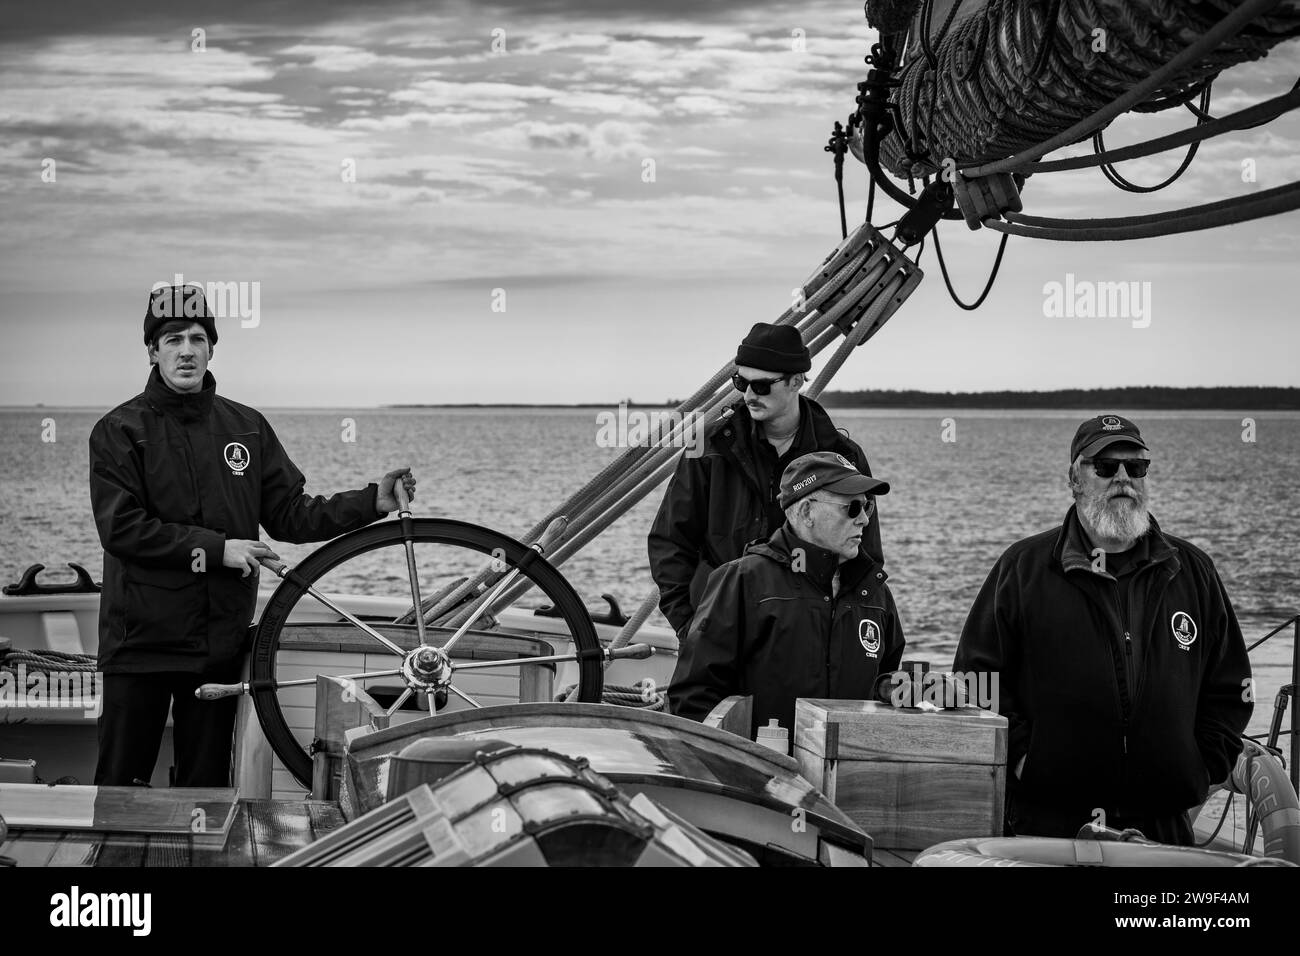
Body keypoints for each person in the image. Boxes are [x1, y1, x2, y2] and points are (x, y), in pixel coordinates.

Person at [89, 284, 418, 787]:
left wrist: (372, 502)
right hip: (139, 647)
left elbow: (290, 516)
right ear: (152, 352)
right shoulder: (119, 430)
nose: (186, 350)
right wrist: (217, 550)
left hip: (217, 648)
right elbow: (122, 529)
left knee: (204, 790)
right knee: (119, 785)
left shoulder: (247, 427)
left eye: (197, 338)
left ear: (211, 349)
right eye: (172, 339)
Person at [953, 414, 1251, 845]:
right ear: (1074, 479)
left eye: (1137, 466)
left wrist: (1202, 768)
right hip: (1048, 826)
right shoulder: (1023, 569)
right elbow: (976, 679)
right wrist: (1025, 760)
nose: (1123, 478)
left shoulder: (1192, 571)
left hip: (1163, 827)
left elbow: (1230, 686)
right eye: (1107, 467)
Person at [648, 322, 883, 640]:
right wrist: (691, 627)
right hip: (718, 632)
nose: (748, 395)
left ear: (795, 381)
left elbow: (866, 557)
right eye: (741, 382)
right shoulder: (708, 447)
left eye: (761, 386)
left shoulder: (843, 457)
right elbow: (670, 542)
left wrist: (836, 640)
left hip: (805, 638)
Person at [668, 452, 905, 740]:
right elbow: (693, 698)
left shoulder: (875, 593)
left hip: (846, 764)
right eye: (852, 508)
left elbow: (883, 683)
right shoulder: (743, 581)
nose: (865, 520)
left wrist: (895, 689)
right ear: (806, 512)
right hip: (761, 763)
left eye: (868, 506)